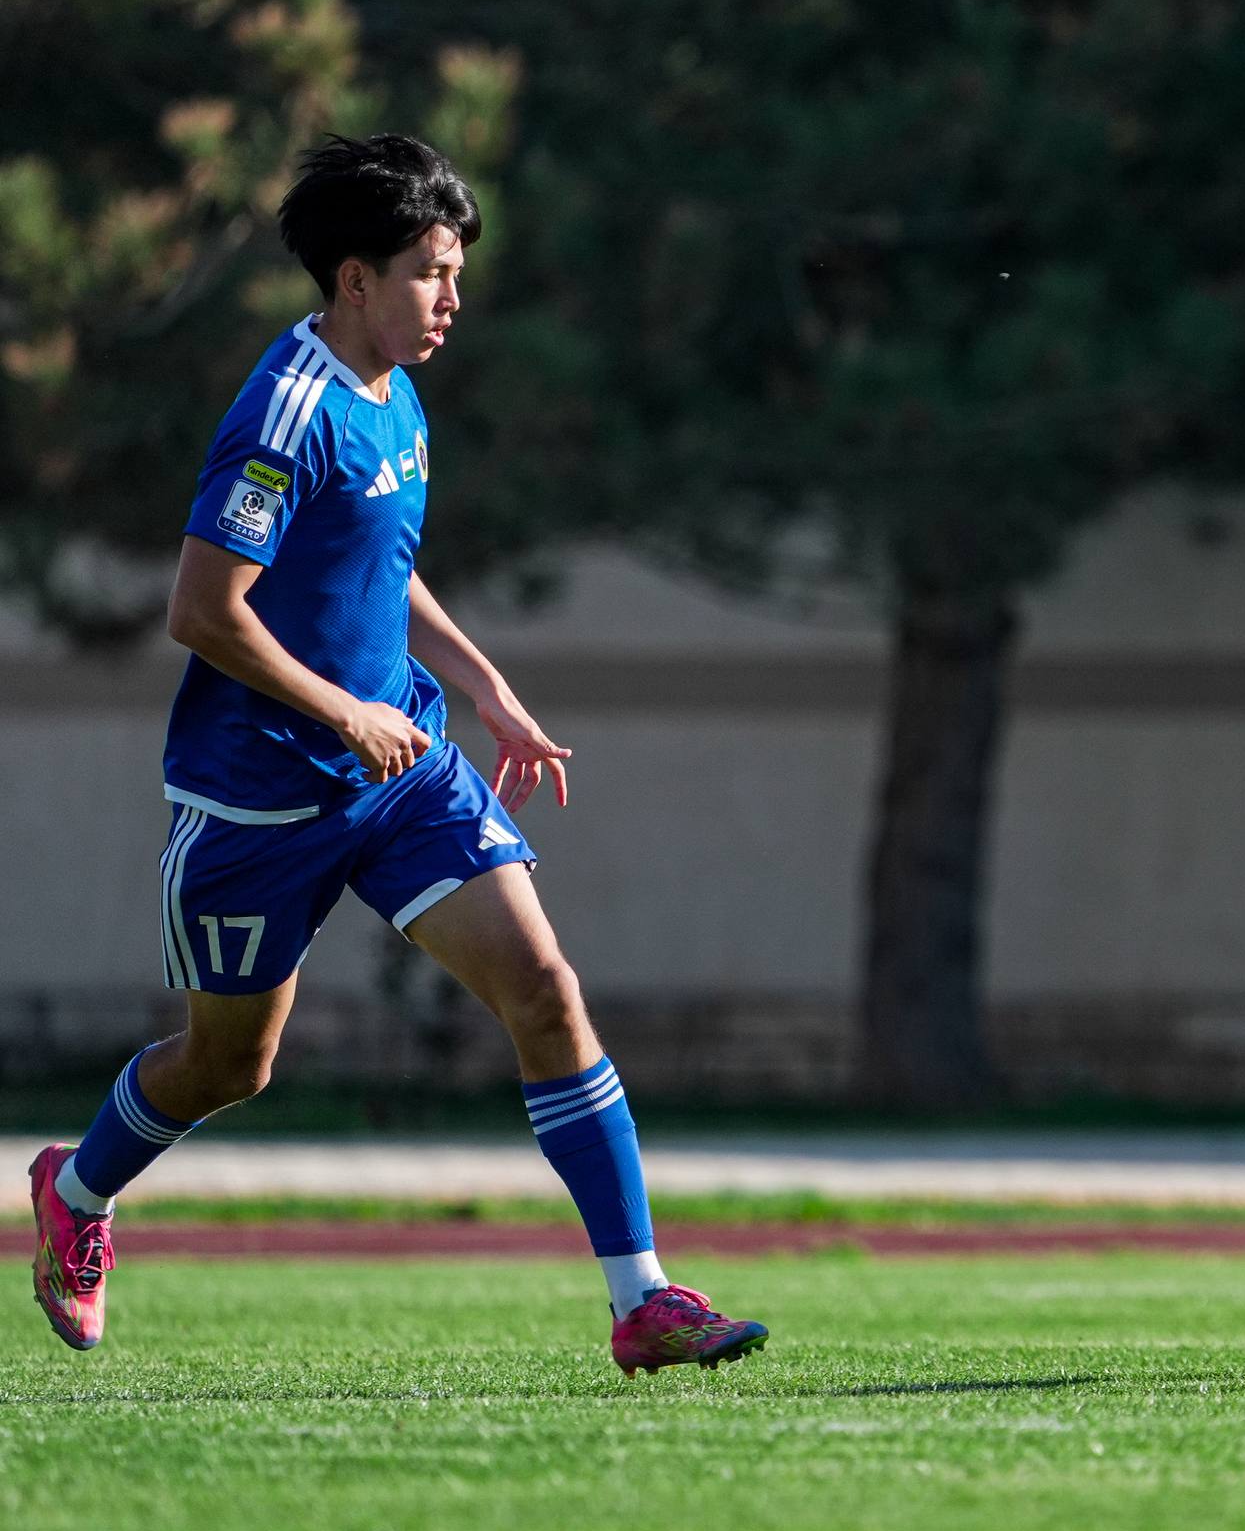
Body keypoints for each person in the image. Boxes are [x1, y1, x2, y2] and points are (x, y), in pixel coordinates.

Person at [27, 134, 767, 1377]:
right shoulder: (284, 411)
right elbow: (205, 610)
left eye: (457, 269)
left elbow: (377, 564)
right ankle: (78, 1189)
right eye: (431, 271)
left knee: (544, 986)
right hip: (257, 800)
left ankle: (641, 1298)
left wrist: (485, 687)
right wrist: (338, 711)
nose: (453, 297)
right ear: (354, 278)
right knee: (230, 1064)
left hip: (402, 768)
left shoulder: (396, 392)